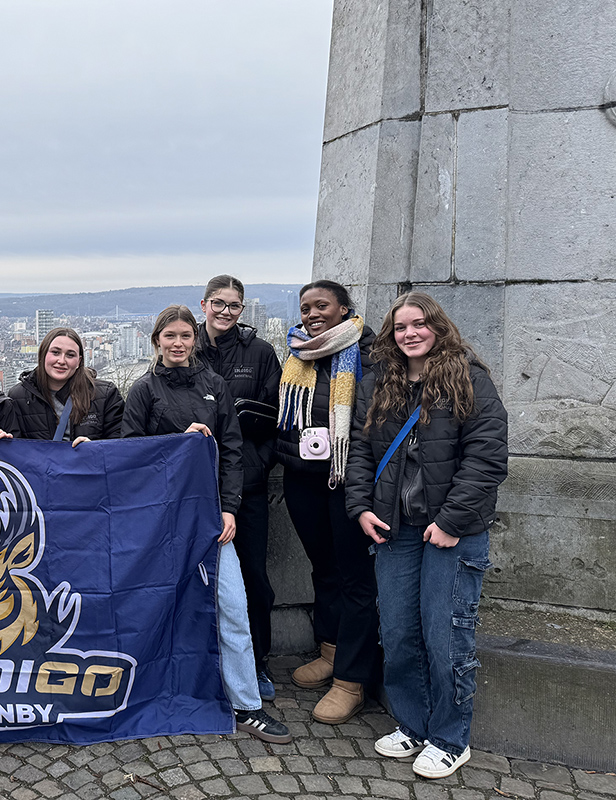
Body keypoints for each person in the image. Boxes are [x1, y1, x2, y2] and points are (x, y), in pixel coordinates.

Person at [346, 292, 507, 779]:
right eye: (400, 327)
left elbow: (486, 460)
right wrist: (360, 508)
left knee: (447, 635)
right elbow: (359, 450)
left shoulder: (470, 379)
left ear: (438, 327)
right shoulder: (380, 383)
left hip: (451, 531)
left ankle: (450, 738)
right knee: (397, 632)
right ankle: (413, 724)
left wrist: (452, 521)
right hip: (395, 528)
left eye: (419, 324)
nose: (409, 333)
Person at [122, 305, 291, 745]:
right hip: (161, 519)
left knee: (232, 607)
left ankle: (246, 703)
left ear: (193, 340)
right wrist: (178, 444)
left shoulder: (214, 384)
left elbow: (233, 451)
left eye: (184, 336)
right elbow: (128, 454)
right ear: (156, 339)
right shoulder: (143, 390)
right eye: (169, 336)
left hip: (210, 514)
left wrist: (230, 508)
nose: (177, 343)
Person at [276, 279, 380, 724]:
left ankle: (351, 681)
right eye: (306, 307)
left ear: (343, 309)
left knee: (356, 577)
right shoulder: (298, 352)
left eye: (322, 305)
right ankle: (330, 650)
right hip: (303, 478)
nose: (312, 313)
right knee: (324, 567)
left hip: (349, 480)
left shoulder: (369, 353)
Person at [195, 275, 283, 701]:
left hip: (246, 484)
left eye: (234, 305)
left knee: (253, 577)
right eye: (219, 303)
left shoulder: (260, 353)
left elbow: (279, 416)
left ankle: (257, 662)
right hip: (194, 486)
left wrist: (259, 465)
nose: (226, 311)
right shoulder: (184, 346)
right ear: (204, 303)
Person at [7, 326, 124, 444]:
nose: (62, 361)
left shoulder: (105, 395)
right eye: (55, 352)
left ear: (79, 361)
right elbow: (14, 449)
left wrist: (94, 448)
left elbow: (120, 447)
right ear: (43, 355)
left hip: (87, 462)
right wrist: (2, 439)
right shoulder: (18, 397)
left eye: (70, 355)